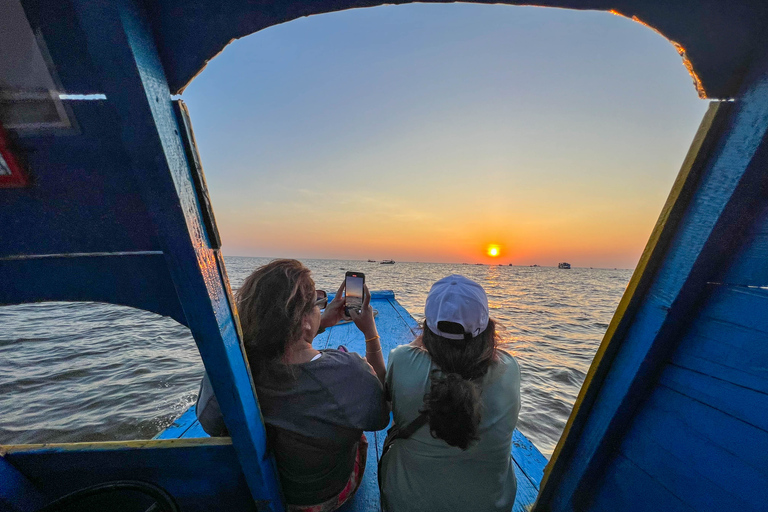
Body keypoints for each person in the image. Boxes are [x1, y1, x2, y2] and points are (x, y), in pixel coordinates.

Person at [197, 259, 389, 511]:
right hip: (321, 497)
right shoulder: (348, 372)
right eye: (316, 303)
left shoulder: (230, 372)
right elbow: (380, 417)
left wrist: (318, 324)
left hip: (263, 490)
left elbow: (209, 423)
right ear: (303, 321)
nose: (321, 307)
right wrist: (370, 333)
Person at [379, 275, 521, 512]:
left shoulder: (403, 361)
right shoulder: (509, 369)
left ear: (426, 329)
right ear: (488, 328)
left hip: (408, 504)